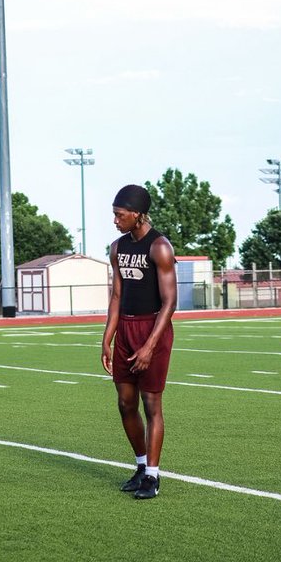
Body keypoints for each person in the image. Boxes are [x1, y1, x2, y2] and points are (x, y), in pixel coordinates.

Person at [100, 184, 177, 500]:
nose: (115, 220)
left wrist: (149, 346)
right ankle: (140, 466)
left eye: (119, 215)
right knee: (125, 403)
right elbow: (117, 295)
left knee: (151, 404)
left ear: (136, 214)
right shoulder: (117, 247)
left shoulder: (159, 247)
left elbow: (170, 302)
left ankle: (153, 477)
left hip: (152, 328)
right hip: (126, 329)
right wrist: (106, 339)